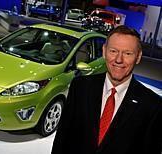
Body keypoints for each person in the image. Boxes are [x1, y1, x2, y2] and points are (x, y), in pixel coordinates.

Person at [51, 25, 162, 154]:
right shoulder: (80, 87)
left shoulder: (153, 106)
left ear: (138, 57)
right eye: (113, 51)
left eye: (127, 53)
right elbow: (62, 138)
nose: (118, 60)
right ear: (104, 51)